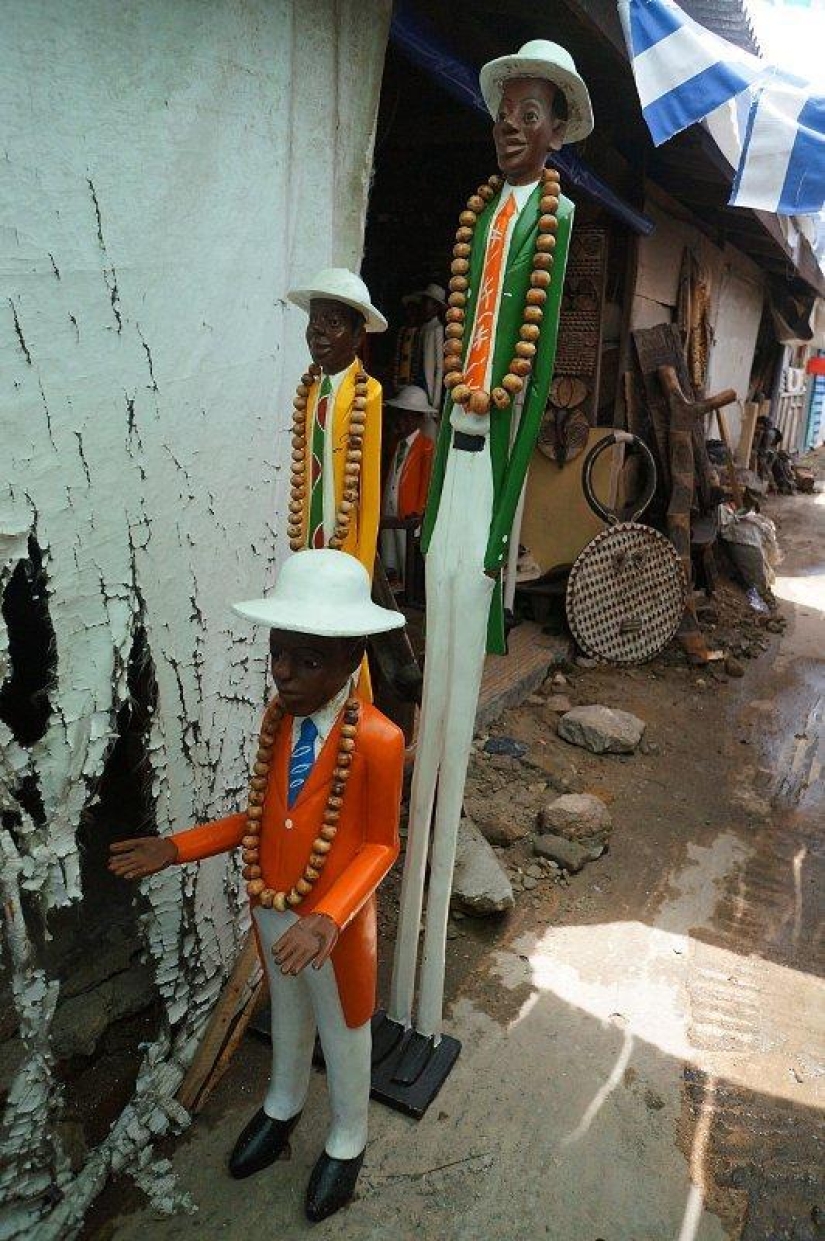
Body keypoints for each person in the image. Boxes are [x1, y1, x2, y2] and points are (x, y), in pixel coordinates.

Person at [388, 41, 593, 1052]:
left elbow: (538, 362)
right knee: (432, 673)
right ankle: (400, 981)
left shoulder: (556, 217)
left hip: (493, 458)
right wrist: (436, 501)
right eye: (504, 108)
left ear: (556, 130)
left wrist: (505, 515)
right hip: (453, 453)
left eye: (530, 112)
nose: (511, 124)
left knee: (462, 684)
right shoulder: (475, 215)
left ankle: (424, 990)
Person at [109, 550, 405, 1221]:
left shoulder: (379, 740)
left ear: (351, 658)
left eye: (308, 660)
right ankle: (281, 1105)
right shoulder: (279, 722)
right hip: (272, 903)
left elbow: (382, 845)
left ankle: (348, 1137)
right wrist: (176, 848)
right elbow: (262, 819)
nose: (284, 673)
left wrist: (329, 916)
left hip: (333, 925)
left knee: (344, 1028)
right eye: (278, 654)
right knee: (290, 1013)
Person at [284, 268, 387, 582]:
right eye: (314, 321)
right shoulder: (310, 391)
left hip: (346, 548)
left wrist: (363, 571)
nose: (318, 332)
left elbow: (369, 494)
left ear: (357, 336)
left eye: (333, 323)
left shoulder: (367, 394)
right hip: (308, 545)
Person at [380, 384, 436, 583]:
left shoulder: (426, 446)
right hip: (389, 509)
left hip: (409, 511)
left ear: (418, 419)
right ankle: (392, 581)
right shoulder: (396, 444)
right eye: (400, 415)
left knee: (406, 553)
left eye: (407, 416)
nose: (401, 421)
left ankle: (407, 584)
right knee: (389, 549)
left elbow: (426, 480)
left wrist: (420, 509)